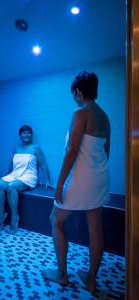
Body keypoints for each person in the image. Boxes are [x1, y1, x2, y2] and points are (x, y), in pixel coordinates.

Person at [42, 71, 110, 294]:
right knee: (96, 229)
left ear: (78, 92)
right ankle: (91, 280)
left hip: (79, 180)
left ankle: (62, 275)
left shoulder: (81, 113)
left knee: (56, 220)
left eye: (74, 94)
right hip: (99, 180)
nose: (74, 98)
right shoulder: (104, 117)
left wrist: (60, 184)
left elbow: (71, 151)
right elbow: (105, 153)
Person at [0, 125, 51, 234]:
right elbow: (12, 163)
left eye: (28, 133)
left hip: (29, 176)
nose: (26, 134)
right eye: (23, 133)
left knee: (11, 186)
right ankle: (2, 215)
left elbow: (43, 164)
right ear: (20, 135)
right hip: (15, 174)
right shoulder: (16, 148)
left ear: (31, 135)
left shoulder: (36, 148)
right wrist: (6, 177)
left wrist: (48, 180)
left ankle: (14, 217)